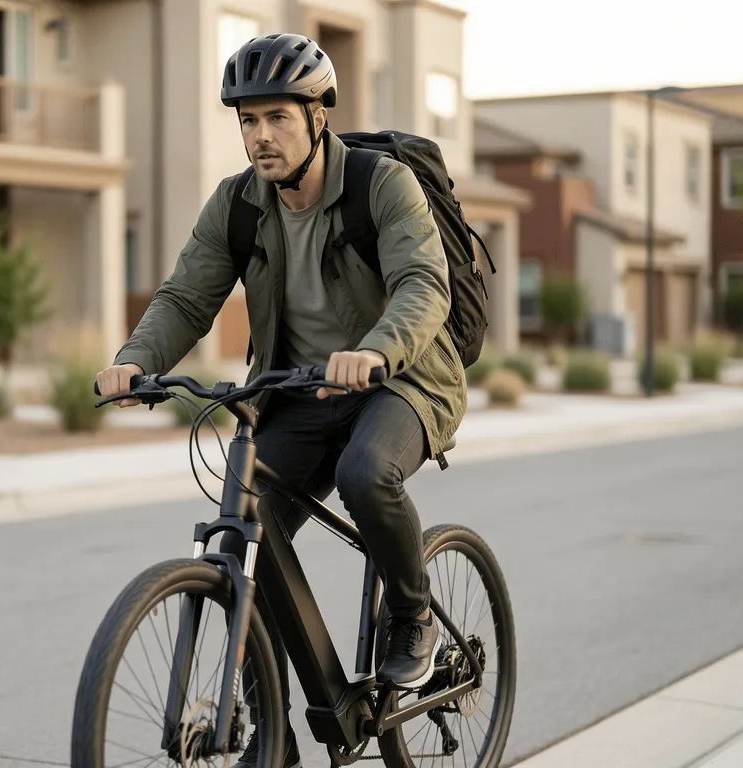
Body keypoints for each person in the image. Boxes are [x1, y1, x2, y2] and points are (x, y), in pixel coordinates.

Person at [94, 33, 466, 767]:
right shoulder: (237, 204)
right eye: (247, 120)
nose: (259, 135)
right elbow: (186, 294)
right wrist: (136, 361)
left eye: (276, 118)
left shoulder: (380, 185)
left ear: (318, 116)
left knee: (365, 474)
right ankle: (277, 741)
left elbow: (425, 284)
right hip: (296, 389)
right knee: (243, 539)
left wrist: (376, 350)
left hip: (403, 378)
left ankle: (414, 618)